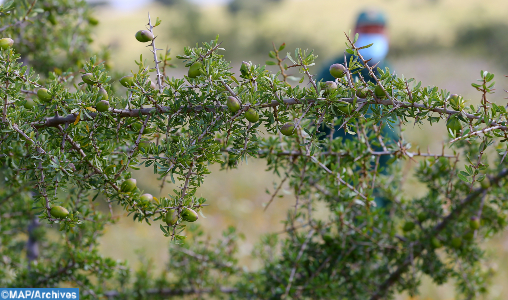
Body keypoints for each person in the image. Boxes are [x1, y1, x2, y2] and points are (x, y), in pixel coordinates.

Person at [317, 9, 398, 209]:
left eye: (377, 31)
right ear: (354, 33)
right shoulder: (334, 69)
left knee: (384, 225)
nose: (373, 36)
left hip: (385, 166)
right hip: (348, 167)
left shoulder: (388, 70)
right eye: (366, 30)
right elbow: (316, 121)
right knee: (357, 222)